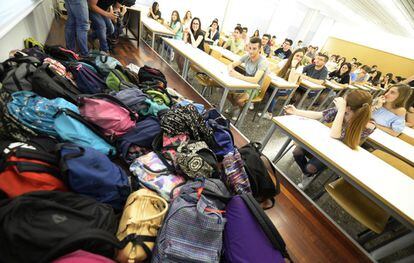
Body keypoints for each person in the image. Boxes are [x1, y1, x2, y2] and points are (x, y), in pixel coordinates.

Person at [285, 90, 375, 189]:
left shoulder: (369, 125)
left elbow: (335, 135)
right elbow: (320, 114)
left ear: (348, 108)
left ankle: (308, 174)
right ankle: (308, 174)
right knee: (297, 152)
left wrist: (341, 110)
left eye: (344, 103)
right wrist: (296, 111)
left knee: (310, 168)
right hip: (327, 143)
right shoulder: (344, 110)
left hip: (339, 153)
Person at [225, 37, 269, 120]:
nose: (251, 51)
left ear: (259, 49)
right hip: (244, 83)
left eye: (254, 49)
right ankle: (235, 107)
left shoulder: (263, 62)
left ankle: (240, 109)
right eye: (250, 48)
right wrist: (231, 70)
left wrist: (237, 75)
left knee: (240, 99)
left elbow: (255, 80)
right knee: (226, 91)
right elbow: (231, 64)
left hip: (255, 88)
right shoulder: (247, 56)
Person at [261, 48, 305, 119]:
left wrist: (293, 67)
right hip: (278, 83)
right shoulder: (286, 61)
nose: (298, 58)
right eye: (297, 55)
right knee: (265, 85)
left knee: (274, 92)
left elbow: (291, 82)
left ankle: (269, 113)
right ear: (293, 55)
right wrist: (266, 72)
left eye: (301, 57)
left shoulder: (300, 67)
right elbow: (275, 68)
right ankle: (252, 102)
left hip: (288, 89)